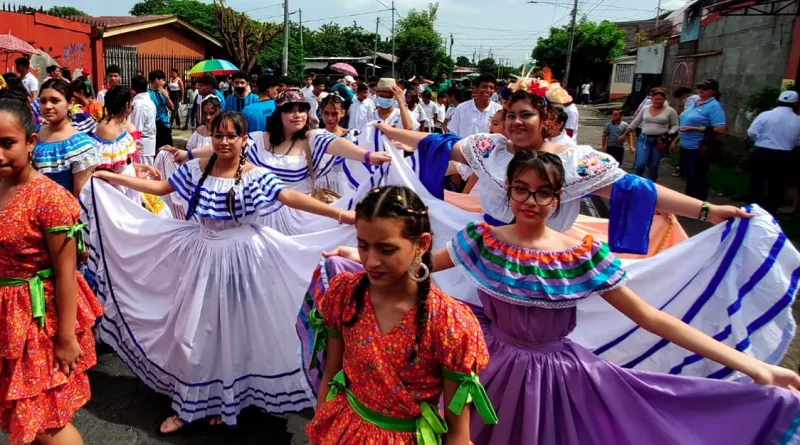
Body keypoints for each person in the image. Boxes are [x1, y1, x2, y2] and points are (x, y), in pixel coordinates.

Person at [89, 111, 364, 435]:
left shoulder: (253, 175)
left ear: (243, 139)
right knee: (191, 335)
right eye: (218, 135)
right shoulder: (197, 169)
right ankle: (189, 406)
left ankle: (220, 402)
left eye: (231, 136)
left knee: (232, 335)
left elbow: (290, 197)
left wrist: (343, 215)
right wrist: (114, 178)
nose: (223, 141)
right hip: (202, 255)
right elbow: (162, 188)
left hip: (243, 260)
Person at [305, 186, 495, 445]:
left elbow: (457, 434)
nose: (371, 261)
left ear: (422, 244)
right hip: (343, 431)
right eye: (363, 246)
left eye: (386, 250)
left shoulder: (449, 323)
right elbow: (330, 376)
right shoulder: (345, 296)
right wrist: (319, 431)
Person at [0, 94, 103, 445]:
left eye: (7, 143)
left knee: (45, 421)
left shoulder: (50, 199)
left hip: (35, 323)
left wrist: (66, 339)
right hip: (5, 318)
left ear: (30, 142)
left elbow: (66, 273)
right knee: (20, 416)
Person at [170, 90, 393, 235]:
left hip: (301, 218)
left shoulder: (312, 138)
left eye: (302, 110)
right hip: (262, 218)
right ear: (279, 115)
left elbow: (339, 145)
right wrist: (187, 155)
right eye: (290, 110)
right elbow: (221, 147)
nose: (297, 115)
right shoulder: (260, 139)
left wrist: (368, 156)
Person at [91, 85, 160, 203]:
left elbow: (125, 164)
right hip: (118, 191)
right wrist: (137, 179)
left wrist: (146, 167)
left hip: (126, 183)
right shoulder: (108, 130)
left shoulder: (119, 125)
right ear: (127, 105)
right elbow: (107, 173)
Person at [33, 79, 99, 196]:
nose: (48, 106)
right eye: (43, 101)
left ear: (70, 103)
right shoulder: (33, 134)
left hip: (63, 210)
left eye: (55, 101)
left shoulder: (81, 146)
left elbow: (81, 194)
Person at [670, 79, 726, 201]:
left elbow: (720, 129)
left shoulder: (714, 106)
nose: (700, 90)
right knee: (689, 176)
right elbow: (685, 123)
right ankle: (690, 202)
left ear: (713, 91)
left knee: (698, 177)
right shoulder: (696, 102)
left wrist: (696, 128)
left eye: (705, 88)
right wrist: (676, 140)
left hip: (698, 147)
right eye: (699, 87)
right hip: (686, 146)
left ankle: (699, 204)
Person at [747, 90, 800, 215]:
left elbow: (751, 133)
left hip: (762, 152)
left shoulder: (765, 115)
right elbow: (798, 141)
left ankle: (752, 211)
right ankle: (771, 212)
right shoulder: (798, 120)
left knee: (756, 183)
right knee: (777, 186)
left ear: (778, 101)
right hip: (784, 155)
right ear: (795, 104)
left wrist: (761, 140)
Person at [622, 87, 679, 183]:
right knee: (640, 163)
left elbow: (675, 125)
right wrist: (625, 134)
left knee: (653, 165)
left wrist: (670, 133)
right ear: (651, 99)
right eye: (655, 99)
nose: (657, 101)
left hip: (659, 141)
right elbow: (635, 122)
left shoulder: (670, 111)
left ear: (664, 100)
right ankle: (636, 182)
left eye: (660, 99)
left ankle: (650, 186)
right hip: (644, 140)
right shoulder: (645, 109)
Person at [320, 94, 360, 195]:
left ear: (342, 113)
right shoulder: (315, 137)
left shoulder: (353, 136)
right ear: (321, 112)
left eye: (334, 114)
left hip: (347, 188)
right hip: (321, 188)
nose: (330, 118)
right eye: (326, 113)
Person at [447, 73, 503, 138]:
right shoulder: (462, 108)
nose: (488, 90)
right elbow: (453, 133)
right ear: (475, 88)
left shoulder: (499, 109)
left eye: (491, 88)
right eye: (484, 87)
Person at [129, 75, 158, 166]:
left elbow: (136, 128)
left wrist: (135, 147)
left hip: (142, 144)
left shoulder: (139, 105)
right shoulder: (149, 102)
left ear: (133, 89)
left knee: (143, 170)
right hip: (147, 142)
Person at [148, 70, 174, 151]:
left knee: (169, 150)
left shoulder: (162, 92)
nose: (164, 82)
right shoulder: (148, 94)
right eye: (162, 80)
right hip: (155, 125)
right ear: (156, 80)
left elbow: (172, 108)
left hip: (165, 124)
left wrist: (166, 96)